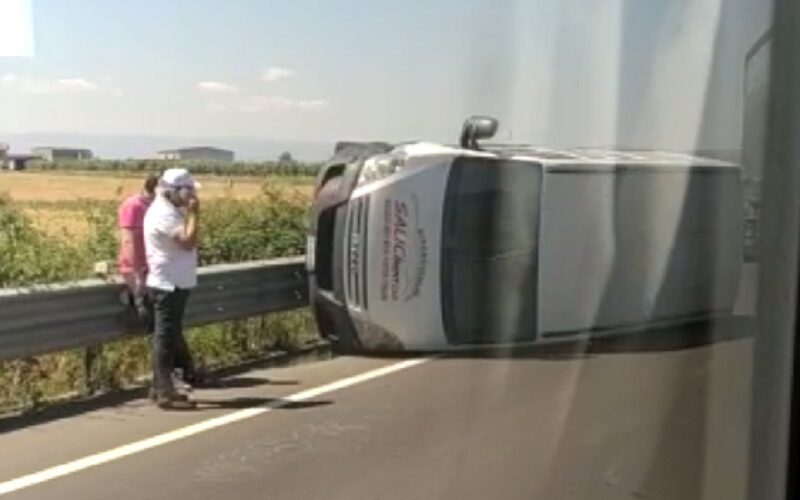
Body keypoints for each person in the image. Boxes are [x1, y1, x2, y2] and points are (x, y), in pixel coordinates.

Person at [143, 168, 201, 409]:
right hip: (169, 284)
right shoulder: (164, 215)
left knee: (168, 336)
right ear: (173, 190)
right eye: (188, 190)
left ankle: (161, 387)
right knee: (165, 338)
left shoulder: (167, 210)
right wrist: (195, 214)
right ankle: (164, 391)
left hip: (173, 282)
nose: (191, 196)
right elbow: (188, 242)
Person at [118, 173, 159, 330]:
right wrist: (137, 274)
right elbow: (128, 241)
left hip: (153, 268)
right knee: (151, 319)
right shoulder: (133, 206)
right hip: (139, 269)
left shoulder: (157, 206)